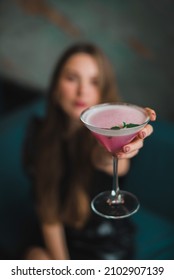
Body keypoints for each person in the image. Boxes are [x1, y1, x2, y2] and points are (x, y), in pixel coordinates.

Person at [23, 42, 156, 260]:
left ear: (103, 91)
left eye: (94, 82)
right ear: (56, 86)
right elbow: (46, 206)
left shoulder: (99, 138)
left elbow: (104, 160)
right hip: (60, 231)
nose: (82, 90)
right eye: (72, 78)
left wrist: (119, 149)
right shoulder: (39, 132)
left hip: (103, 242)